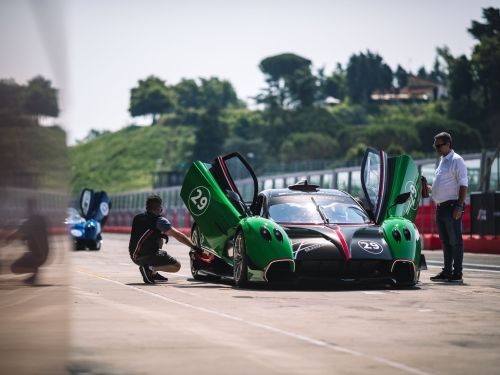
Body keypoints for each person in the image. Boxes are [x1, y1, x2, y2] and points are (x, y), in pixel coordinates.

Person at [128, 194, 200, 284]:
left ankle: (153, 273)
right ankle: (151, 269)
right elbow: (178, 235)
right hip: (148, 256)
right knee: (177, 266)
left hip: (134, 257)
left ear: (147, 207)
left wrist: (159, 235)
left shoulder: (137, 217)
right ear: (159, 208)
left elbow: (142, 233)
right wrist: (194, 246)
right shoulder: (160, 221)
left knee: (160, 239)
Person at [429, 132, 468, 283]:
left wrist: (459, 206)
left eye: (439, 145)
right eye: (435, 145)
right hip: (441, 207)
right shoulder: (443, 160)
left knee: (455, 241)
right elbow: (444, 185)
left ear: (448, 145)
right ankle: (447, 271)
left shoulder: (457, 160)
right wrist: (430, 188)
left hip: (452, 206)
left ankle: (457, 273)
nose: (437, 148)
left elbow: (464, 185)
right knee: (446, 241)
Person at [7, 198, 50, 285]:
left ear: (28, 207)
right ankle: (32, 276)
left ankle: (34, 270)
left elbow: (17, 233)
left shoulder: (29, 221)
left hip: (37, 256)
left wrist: (8, 238)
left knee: (14, 268)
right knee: (27, 253)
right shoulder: (41, 219)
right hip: (45, 254)